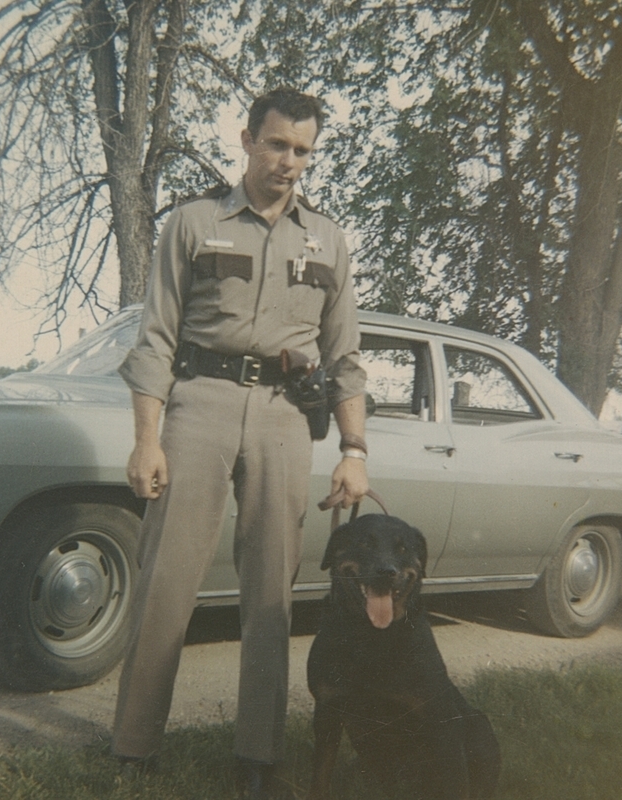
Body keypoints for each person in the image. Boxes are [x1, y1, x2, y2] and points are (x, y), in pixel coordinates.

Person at [111, 87, 369, 800]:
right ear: (248, 138)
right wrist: (147, 440)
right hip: (201, 403)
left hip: (287, 414)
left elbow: (345, 355)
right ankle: (133, 746)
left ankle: (258, 758)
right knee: (167, 577)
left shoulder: (328, 240)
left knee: (270, 590)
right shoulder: (194, 222)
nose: (289, 162)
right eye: (278, 144)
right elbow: (156, 338)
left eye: (303, 152)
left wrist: (354, 449)